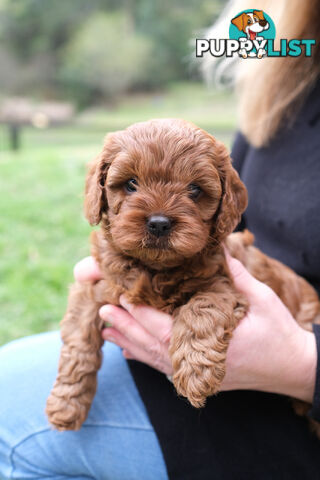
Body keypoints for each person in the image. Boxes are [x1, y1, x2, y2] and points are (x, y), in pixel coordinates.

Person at [1, 1, 320, 478]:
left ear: (220, 211)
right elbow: (88, 302)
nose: (158, 216)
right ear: (99, 195)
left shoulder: (213, 254)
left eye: (194, 192)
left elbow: (218, 291)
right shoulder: (286, 65)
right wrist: (73, 382)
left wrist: (301, 367)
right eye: (130, 186)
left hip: (276, 392)